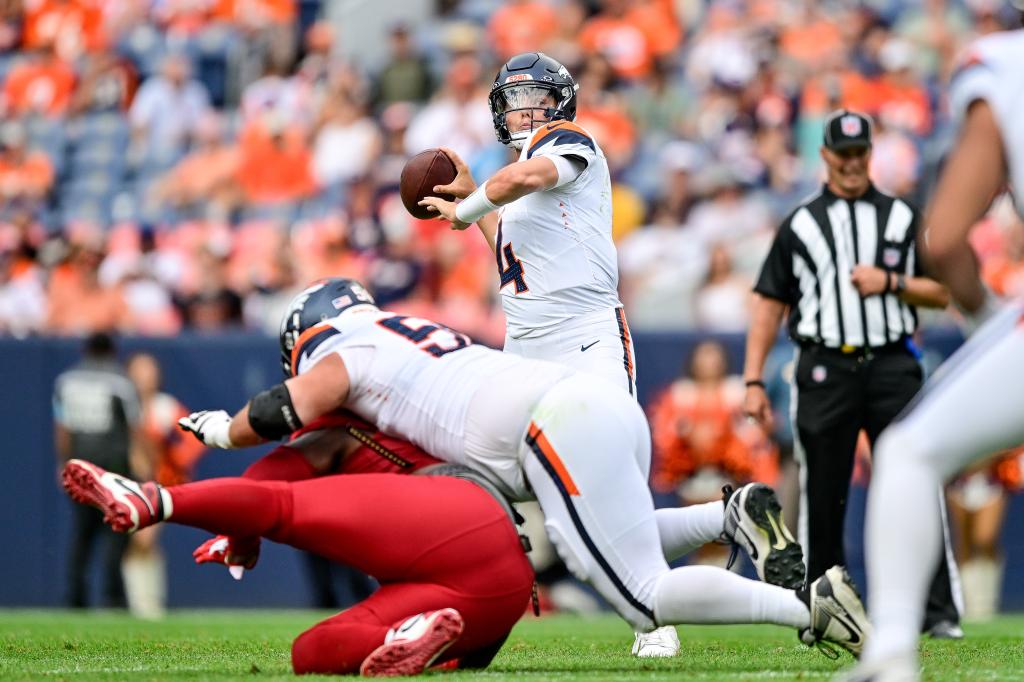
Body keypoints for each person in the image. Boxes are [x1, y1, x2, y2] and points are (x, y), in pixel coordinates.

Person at [178, 278, 868, 660]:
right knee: (612, 538)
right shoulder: (401, 331)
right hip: (587, 405)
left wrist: (223, 429)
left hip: (550, 426)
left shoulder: (350, 350)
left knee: (642, 593)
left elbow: (280, 410)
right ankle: (725, 516)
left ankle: (808, 609)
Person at [419, 51, 662, 655]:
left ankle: (655, 618)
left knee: (611, 481)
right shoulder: (519, 174)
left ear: (558, 102)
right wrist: (473, 206)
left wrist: (470, 203)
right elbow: (505, 241)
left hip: (585, 336)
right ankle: (463, 610)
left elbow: (521, 180)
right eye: (513, 98)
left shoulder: (567, 143)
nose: (522, 108)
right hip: (526, 343)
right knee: (494, 483)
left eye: (533, 96)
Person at [845, 27, 1024, 682]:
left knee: (909, 453)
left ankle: (892, 651)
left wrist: (986, 319)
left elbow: (944, 239)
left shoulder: (1005, 62)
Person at [741, 109, 963, 637]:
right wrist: (752, 380)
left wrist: (889, 281)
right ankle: (824, 609)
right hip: (824, 366)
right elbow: (767, 303)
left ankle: (936, 611)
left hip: (891, 361)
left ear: (870, 154)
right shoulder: (800, 223)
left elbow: (942, 290)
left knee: (914, 482)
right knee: (824, 492)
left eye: (860, 153)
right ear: (825, 157)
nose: (852, 163)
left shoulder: (904, 217)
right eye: (842, 154)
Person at [61, 458, 535, 677]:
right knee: (310, 654)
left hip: (452, 510)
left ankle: (153, 500)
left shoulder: (347, 382)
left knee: (283, 507)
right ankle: (399, 638)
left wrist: (240, 534)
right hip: (503, 588)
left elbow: (265, 487)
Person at [53, 332, 142, 608]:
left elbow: (63, 428)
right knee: (116, 532)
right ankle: (113, 597)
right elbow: (135, 428)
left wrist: (63, 463)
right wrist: (140, 467)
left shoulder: (66, 381)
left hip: (81, 466)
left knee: (82, 533)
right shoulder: (120, 381)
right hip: (113, 465)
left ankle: (76, 596)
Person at [122, 353, 206, 619]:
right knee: (138, 542)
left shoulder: (165, 408)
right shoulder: (122, 405)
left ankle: (146, 603)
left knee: (144, 539)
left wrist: (175, 464)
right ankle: (142, 602)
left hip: (157, 485)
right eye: (138, 371)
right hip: (125, 481)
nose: (143, 378)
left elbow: (194, 440)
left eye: (148, 371)